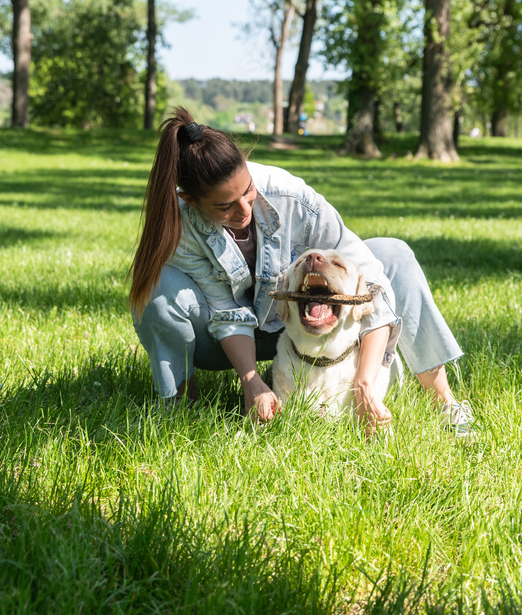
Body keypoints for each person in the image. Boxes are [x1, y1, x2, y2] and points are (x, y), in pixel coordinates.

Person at [128, 107, 473, 437]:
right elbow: (226, 312)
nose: (244, 209)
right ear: (190, 200)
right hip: (224, 342)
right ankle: (179, 407)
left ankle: (445, 403)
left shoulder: (292, 196)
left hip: (298, 327)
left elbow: (372, 281)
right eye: (225, 207)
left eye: (248, 192)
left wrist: (365, 384)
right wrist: (251, 381)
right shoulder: (181, 225)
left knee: (393, 254)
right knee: (159, 290)